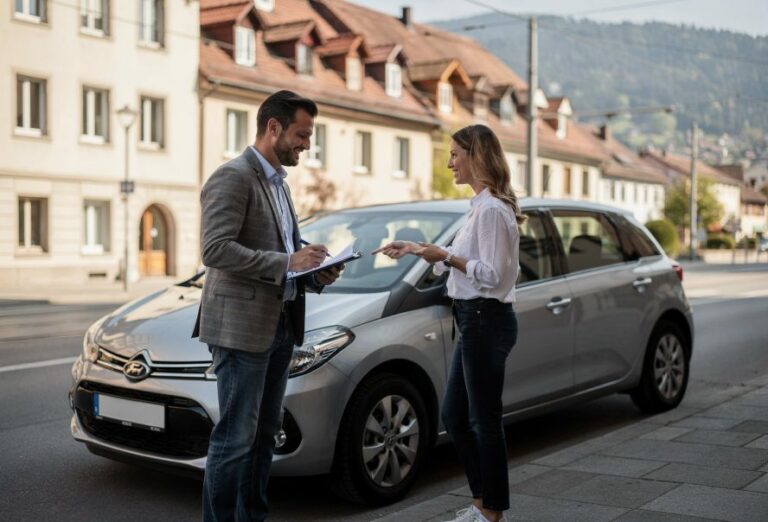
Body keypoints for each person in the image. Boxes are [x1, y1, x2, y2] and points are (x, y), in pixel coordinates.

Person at [193, 90, 342, 522]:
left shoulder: (279, 183)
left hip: (280, 326)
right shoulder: (233, 176)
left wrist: (315, 268)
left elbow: (287, 252)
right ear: (272, 128)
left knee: (263, 436)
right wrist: (288, 261)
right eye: (301, 134)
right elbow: (216, 249)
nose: (306, 145)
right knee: (234, 438)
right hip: (241, 330)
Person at [373, 124, 524, 522]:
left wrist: (447, 258)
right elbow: (454, 257)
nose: (449, 162)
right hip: (473, 320)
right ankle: (483, 502)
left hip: (485, 319)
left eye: (455, 154)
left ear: (476, 156)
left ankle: (489, 511)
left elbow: (489, 274)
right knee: (455, 415)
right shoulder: (480, 207)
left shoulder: (491, 210)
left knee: (483, 419)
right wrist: (414, 248)